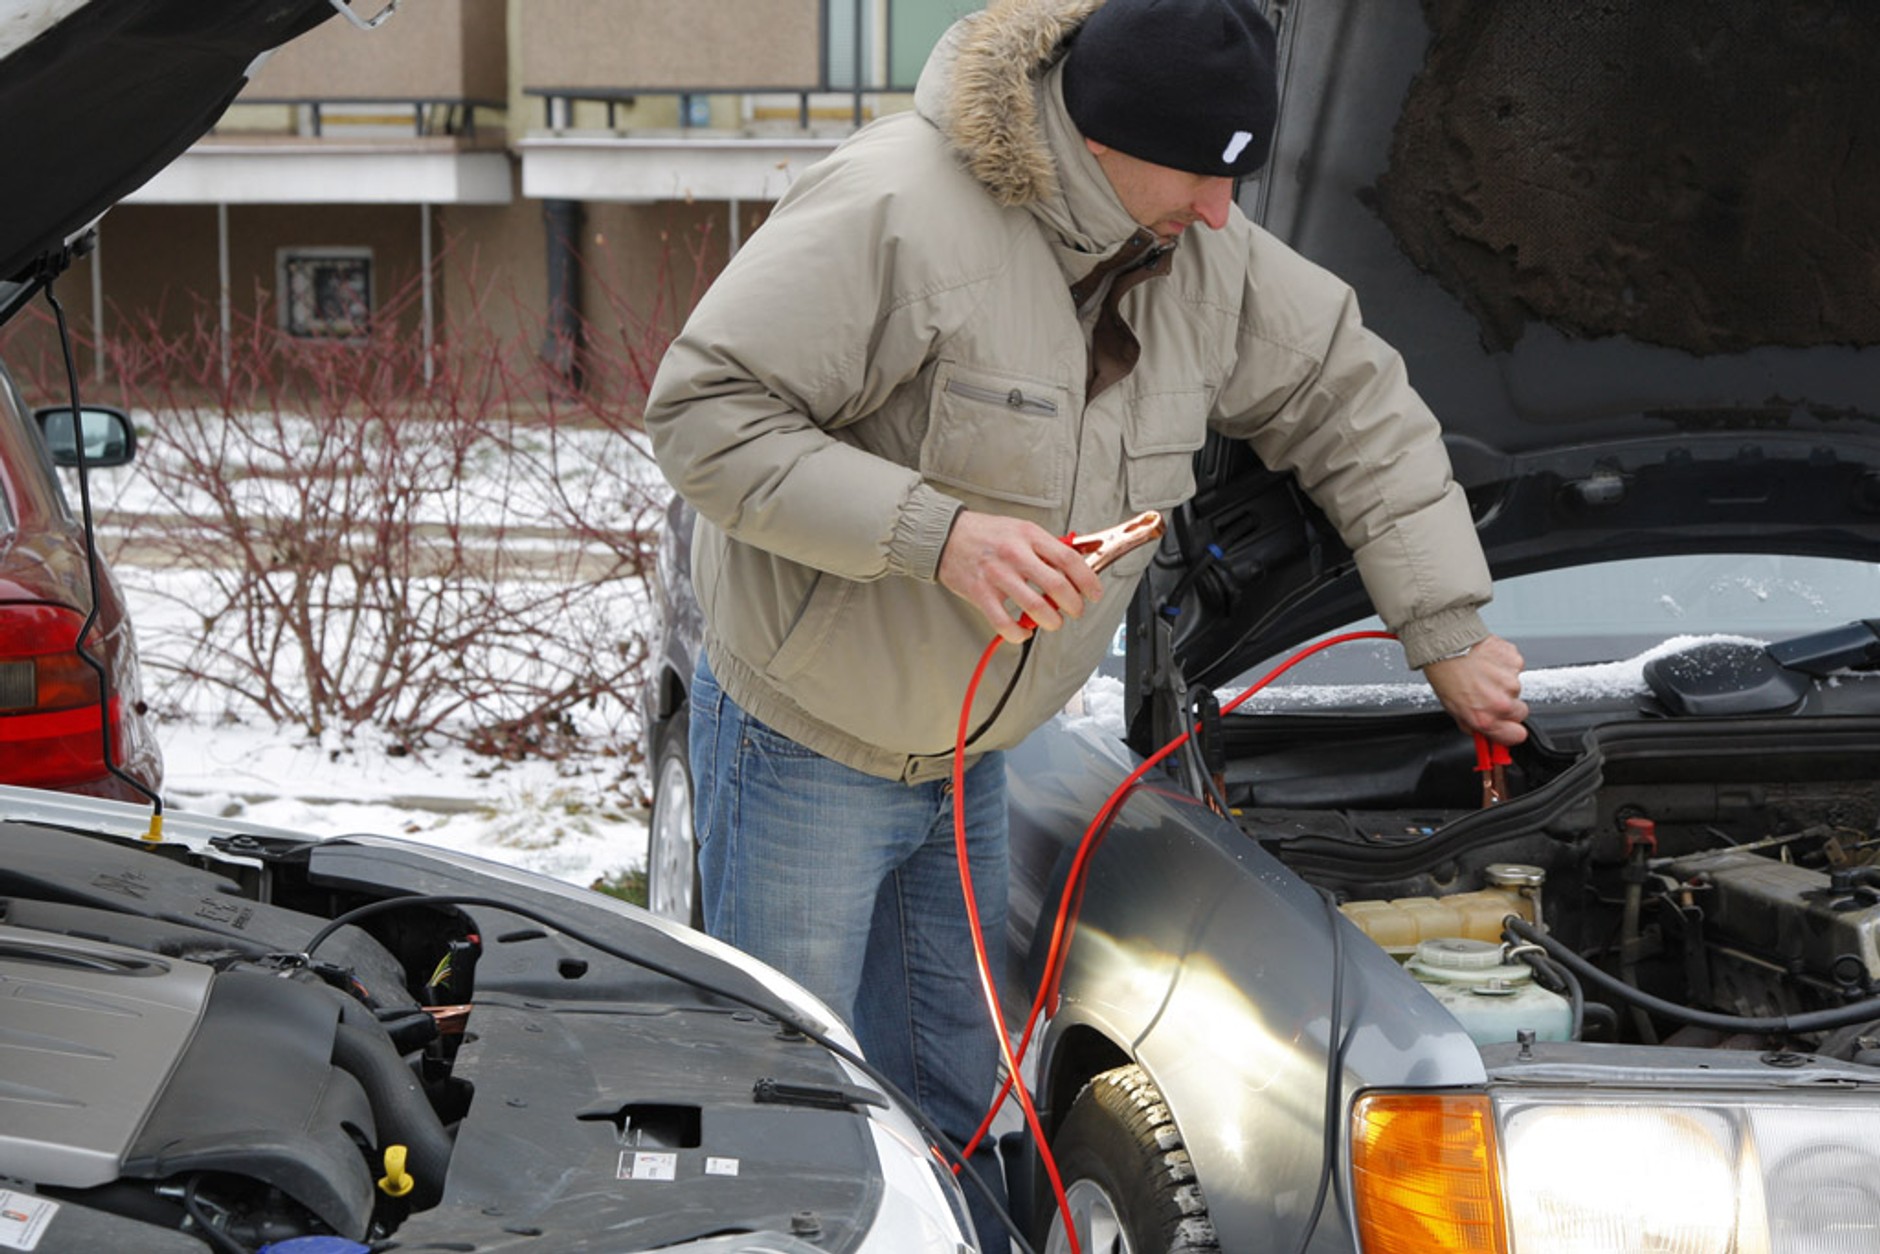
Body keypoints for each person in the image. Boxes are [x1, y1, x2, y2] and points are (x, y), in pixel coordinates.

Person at [645, 0, 1527, 1246]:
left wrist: (1443, 625)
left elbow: (1352, 402)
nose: (1223, 213)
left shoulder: (1198, 256)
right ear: (1100, 141)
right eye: (1201, 176)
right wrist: (937, 534)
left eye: (1238, 180)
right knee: (775, 1098)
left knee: (949, 1096)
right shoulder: (896, 210)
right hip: (804, 747)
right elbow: (702, 418)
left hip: (969, 760)